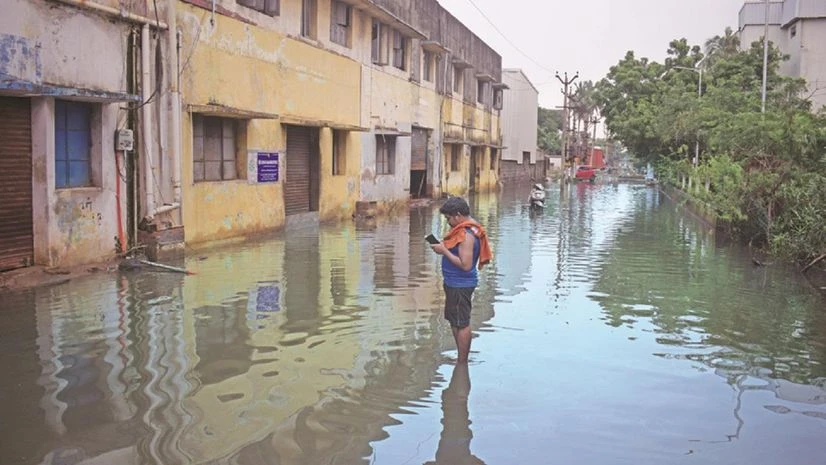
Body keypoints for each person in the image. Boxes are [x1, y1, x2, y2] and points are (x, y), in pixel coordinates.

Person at [429, 197, 492, 364]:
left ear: (457, 215)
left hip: (460, 284)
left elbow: (465, 265)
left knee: (461, 322)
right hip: (454, 283)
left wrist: (444, 251)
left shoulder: (467, 235)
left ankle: (462, 363)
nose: (448, 222)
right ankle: (460, 357)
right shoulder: (466, 229)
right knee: (454, 320)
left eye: (448, 218)